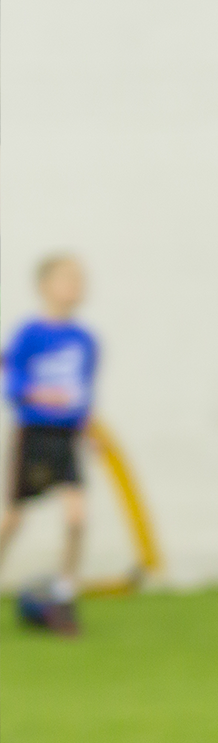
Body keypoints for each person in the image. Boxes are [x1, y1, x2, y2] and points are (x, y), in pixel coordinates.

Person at [0, 254, 99, 634]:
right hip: (34, 436)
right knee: (12, 518)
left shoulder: (85, 340)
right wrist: (39, 394)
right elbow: (13, 386)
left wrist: (87, 429)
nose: (74, 286)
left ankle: (63, 595)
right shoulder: (29, 334)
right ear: (45, 286)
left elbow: (84, 395)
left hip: (67, 439)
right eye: (66, 279)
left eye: (79, 279)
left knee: (77, 516)